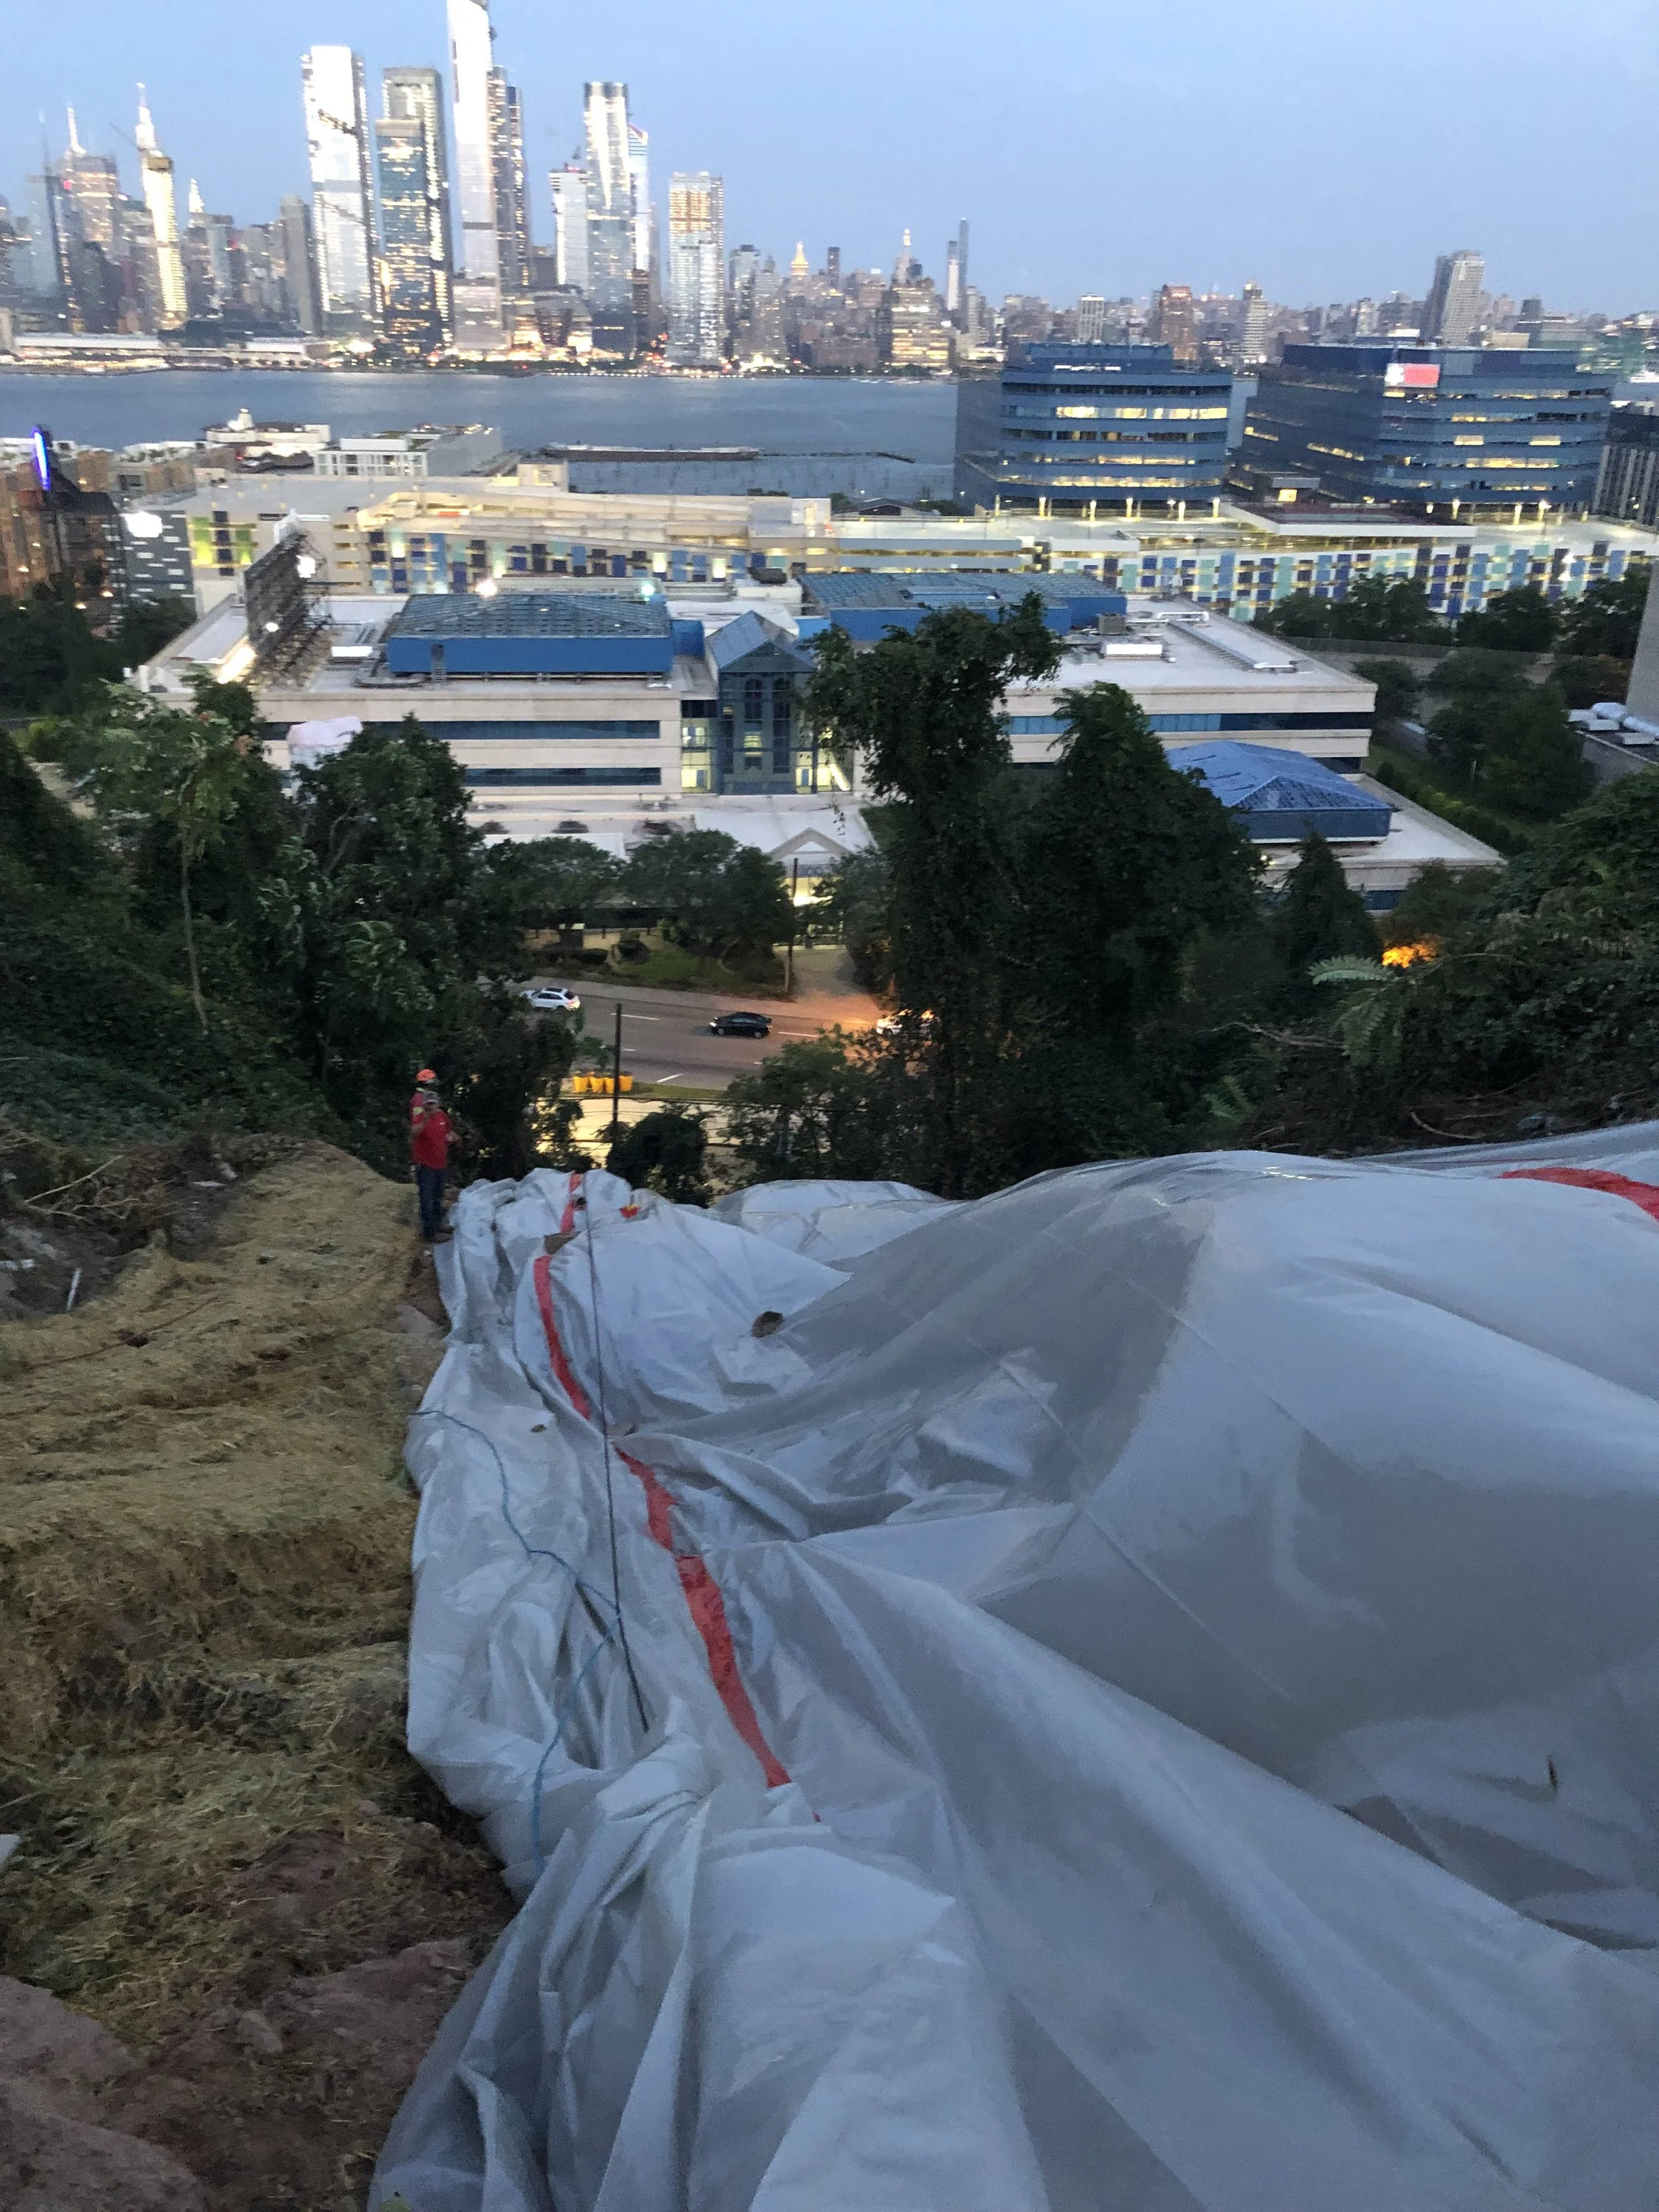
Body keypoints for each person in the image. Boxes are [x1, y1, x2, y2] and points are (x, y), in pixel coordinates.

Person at [409, 1069, 453, 1242]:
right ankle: (430, 1231)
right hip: (425, 1161)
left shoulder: (440, 1113)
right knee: (427, 1197)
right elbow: (415, 1132)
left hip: (439, 1162)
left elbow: (445, 1130)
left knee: (437, 1195)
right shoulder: (419, 1102)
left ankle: (437, 1224)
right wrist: (425, 1120)